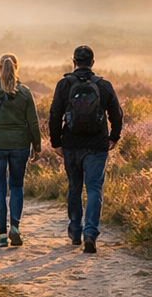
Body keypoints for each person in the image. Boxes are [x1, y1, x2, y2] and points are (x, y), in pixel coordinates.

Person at [48, 44, 123, 254]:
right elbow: (117, 114)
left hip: (71, 145)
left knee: (74, 187)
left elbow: (54, 115)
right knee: (94, 188)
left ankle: (75, 231)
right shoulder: (103, 85)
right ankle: (90, 233)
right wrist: (114, 137)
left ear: (74, 62)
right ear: (92, 63)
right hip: (97, 146)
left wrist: (56, 142)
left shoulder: (64, 84)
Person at [0, 53, 42, 248]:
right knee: (17, 186)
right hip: (20, 145)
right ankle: (15, 228)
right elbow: (33, 123)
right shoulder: (25, 92)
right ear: (16, 68)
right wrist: (37, 147)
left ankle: (2, 236)